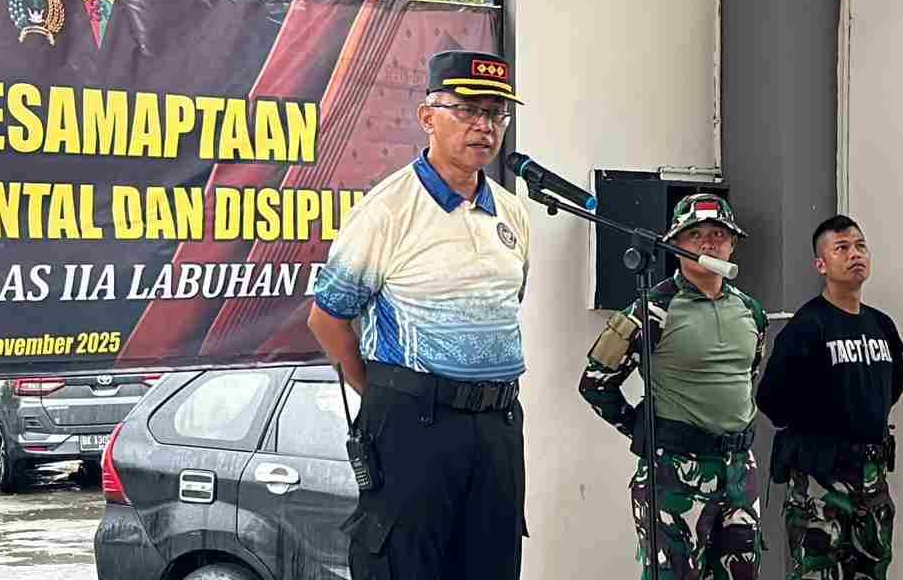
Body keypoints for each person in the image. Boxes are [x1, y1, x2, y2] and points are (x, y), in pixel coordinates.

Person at [307, 49, 531, 580]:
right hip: (415, 424)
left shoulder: (512, 211)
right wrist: (389, 393)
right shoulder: (387, 209)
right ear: (428, 117)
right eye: (468, 110)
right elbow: (327, 319)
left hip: (497, 426)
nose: (484, 126)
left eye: (496, 114)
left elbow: (508, 305)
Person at [579, 193, 769, 579]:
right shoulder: (652, 309)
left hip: (738, 471)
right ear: (674, 243)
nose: (708, 243)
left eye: (718, 234)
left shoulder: (751, 311)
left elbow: (749, 374)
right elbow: (596, 384)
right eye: (695, 234)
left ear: (733, 244)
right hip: (675, 474)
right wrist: (644, 429)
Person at [755, 214, 903, 580]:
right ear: (821, 265)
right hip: (821, 480)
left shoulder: (881, 325)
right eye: (841, 248)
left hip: (871, 481)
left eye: (860, 246)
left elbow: (893, 388)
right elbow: (771, 399)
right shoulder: (808, 327)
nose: (855, 254)